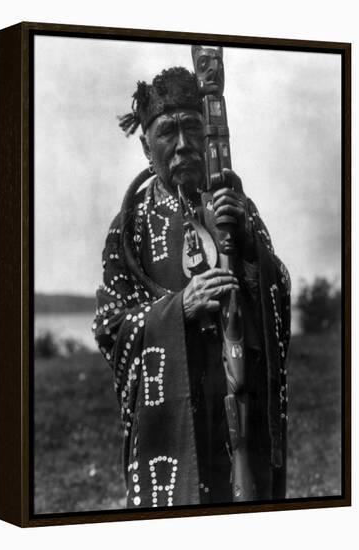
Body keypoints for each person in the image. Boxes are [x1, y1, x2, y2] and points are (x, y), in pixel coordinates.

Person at [93, 67, 291, 508]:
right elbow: (109, 327)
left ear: (207, 135)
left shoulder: (237, 209)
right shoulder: (130, 229)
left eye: (192, 129)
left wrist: (247, 242)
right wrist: (180, 309)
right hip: (175, 421)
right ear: (146, 145)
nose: (182, 145)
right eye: (167, 133)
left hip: (241, 407)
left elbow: (278, 297)